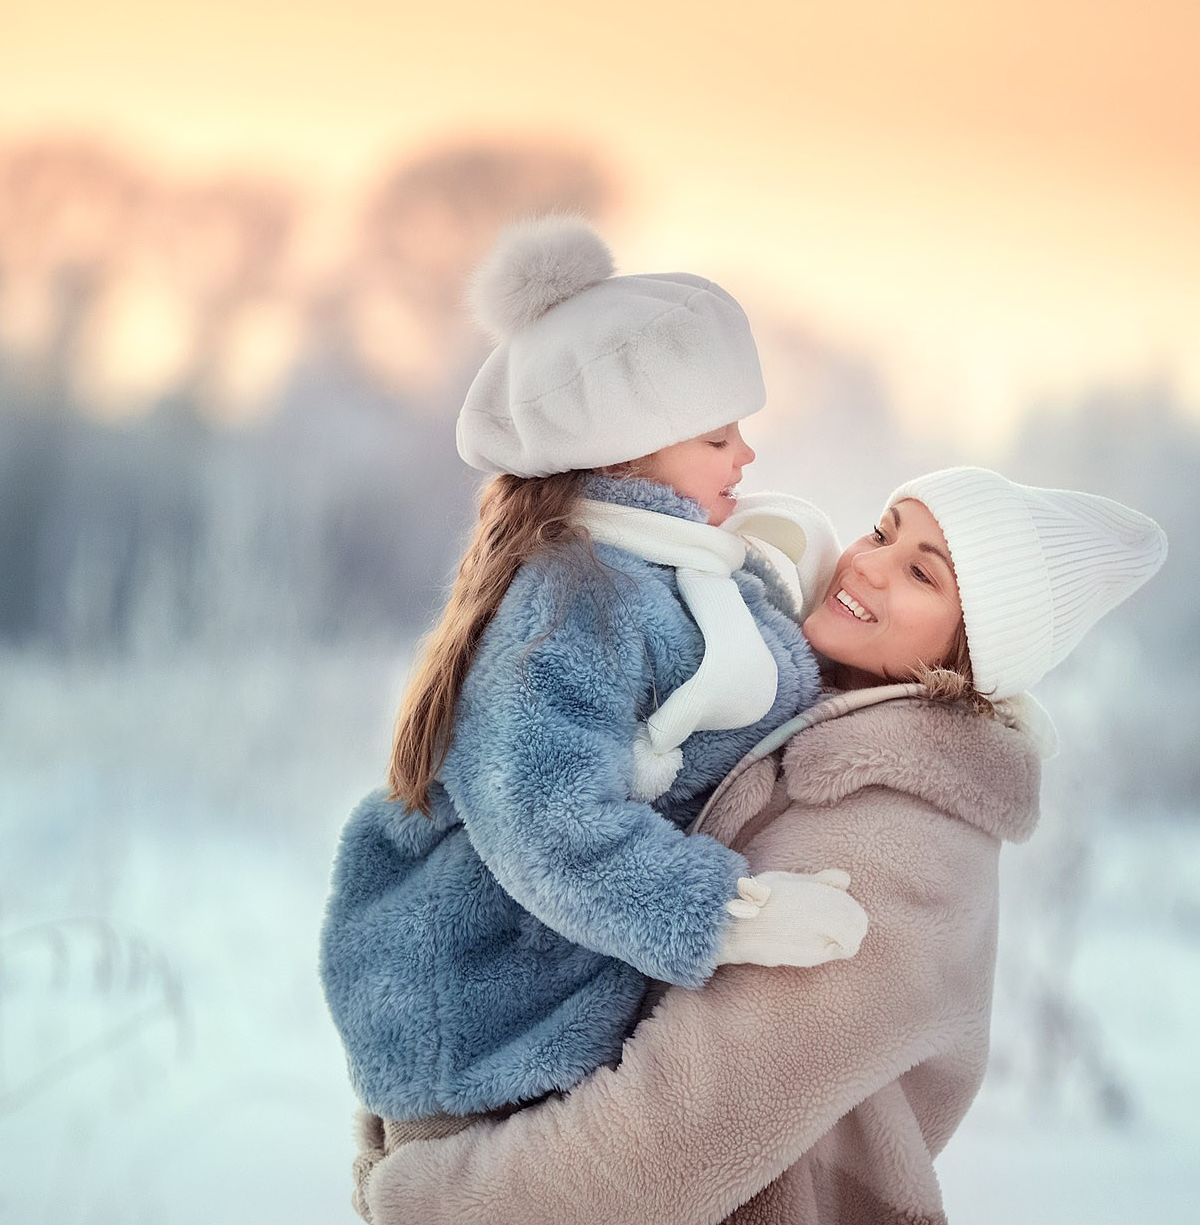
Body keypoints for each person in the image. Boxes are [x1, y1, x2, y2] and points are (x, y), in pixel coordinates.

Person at [352, 466, 1168, 1225]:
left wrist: (439, 1205)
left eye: (923, 573)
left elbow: (685, 1124)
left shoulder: (902, 833)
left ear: (973, 651)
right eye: (885, 530)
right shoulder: (790, 731)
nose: (869, 564)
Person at [320, 216, 868, 1131]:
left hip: (579, 988)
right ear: (625, 450)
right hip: (500, 1016)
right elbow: (545, 816)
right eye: (717, 437)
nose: (747, 456)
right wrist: (726, 913)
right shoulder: (577, 597)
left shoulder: (686, 570)